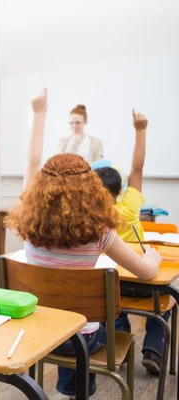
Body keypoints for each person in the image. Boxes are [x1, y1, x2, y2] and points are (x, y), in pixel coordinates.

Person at [6, 88, 161, 398]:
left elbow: (31, 162)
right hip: (79, 339)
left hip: (37, 329)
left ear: (42, 186)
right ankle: (77, 391)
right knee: (89, 322)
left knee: (67, 316)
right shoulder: (100, 231)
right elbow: (145, 273)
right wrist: (154, 258)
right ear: (90, 187)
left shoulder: (29, 221)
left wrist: (38, 115)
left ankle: (66, 388)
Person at [94, 110, 169, 375]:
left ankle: (119, 342)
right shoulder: (128, 207)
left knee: (113, 304)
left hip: (109, 288)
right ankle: (154, 349)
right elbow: (137, 167)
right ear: (119, 191)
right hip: (139, 284)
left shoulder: (88, 221)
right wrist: (141, 130)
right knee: (165, 298)